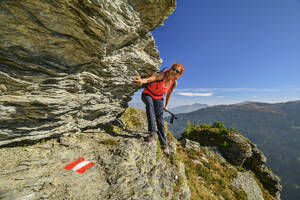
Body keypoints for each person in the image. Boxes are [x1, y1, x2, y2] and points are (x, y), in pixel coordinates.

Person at [134, 63, 185, 152]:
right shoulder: (163, 75)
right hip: (148, 94)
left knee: (160, 119)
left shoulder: (174, 83)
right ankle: (152, 132)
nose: (174, 71)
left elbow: (169, 94)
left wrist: (166, 105)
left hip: (159, 97)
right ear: (171, 68)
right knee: (150, 106)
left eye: (177, 71)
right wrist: (142, 81)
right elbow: (151, 79)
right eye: (173, 69)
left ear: (178, 75)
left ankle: (163, 143)